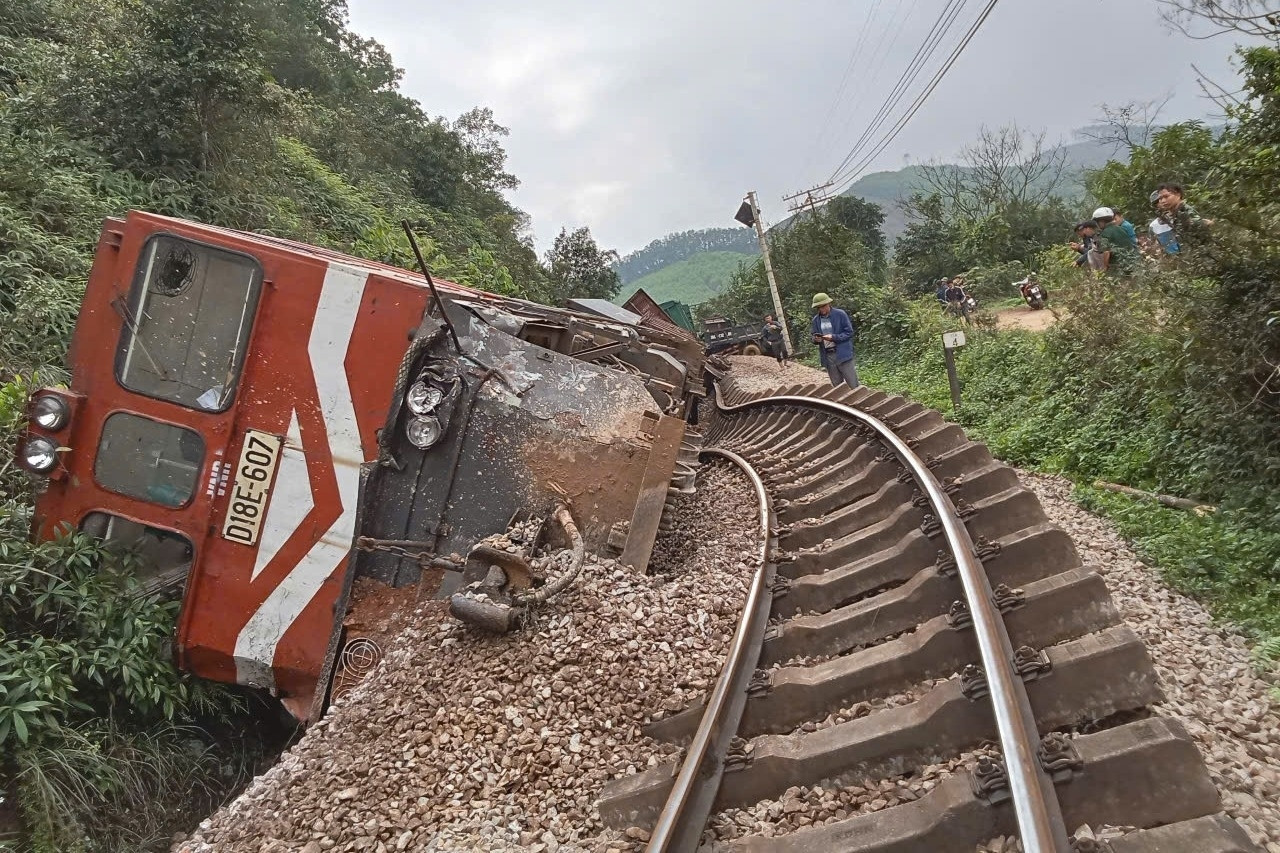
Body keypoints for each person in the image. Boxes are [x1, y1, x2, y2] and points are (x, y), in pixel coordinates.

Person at [810, 292, 859, 389]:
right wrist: (816, 339)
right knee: (837, 387)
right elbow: (813, 335)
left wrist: (834, 337)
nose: (821, 309)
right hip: (828, 356)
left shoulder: (840, 314)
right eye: (819, 307)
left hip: (843, 354)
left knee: (853, 384)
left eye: (823, 306)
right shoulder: (816, 320)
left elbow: (849, 332)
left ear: (829, 304)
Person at [1151, 183, 1211, 248]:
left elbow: (1203, 226)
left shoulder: (1184, 211)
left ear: (1178, 194)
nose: (1163, 201)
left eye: (1166, 196)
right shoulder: (1174, 214)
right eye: (1160, 198)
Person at [1093, 206, 1139, 276]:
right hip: (1133, 261)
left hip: (1120, 266)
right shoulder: (1120, 228)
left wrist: (1105, 267)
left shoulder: (1105, 233)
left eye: (1097, 222)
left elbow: (1106, 252)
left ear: (1102, 221)